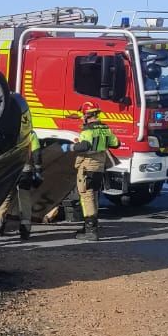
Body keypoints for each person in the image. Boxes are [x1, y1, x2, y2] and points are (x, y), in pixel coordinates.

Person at [0, 94, 41, 241]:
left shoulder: (5, 132)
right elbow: (36, 153)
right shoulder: (30, 134)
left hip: (8, 170)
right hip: (24, 170)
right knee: (24, 199)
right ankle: (25, 230)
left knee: (5, 198)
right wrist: (38, 171)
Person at [67, 101, 118, 241]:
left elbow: (84, 146)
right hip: (100, 167)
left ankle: (91, 230)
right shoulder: (105, 128)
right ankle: (89, 226)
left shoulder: (87, 131)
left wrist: (70, 147)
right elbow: (116, 143)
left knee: (86, 196)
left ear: (87, 115)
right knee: (94, 195)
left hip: (87, 166)